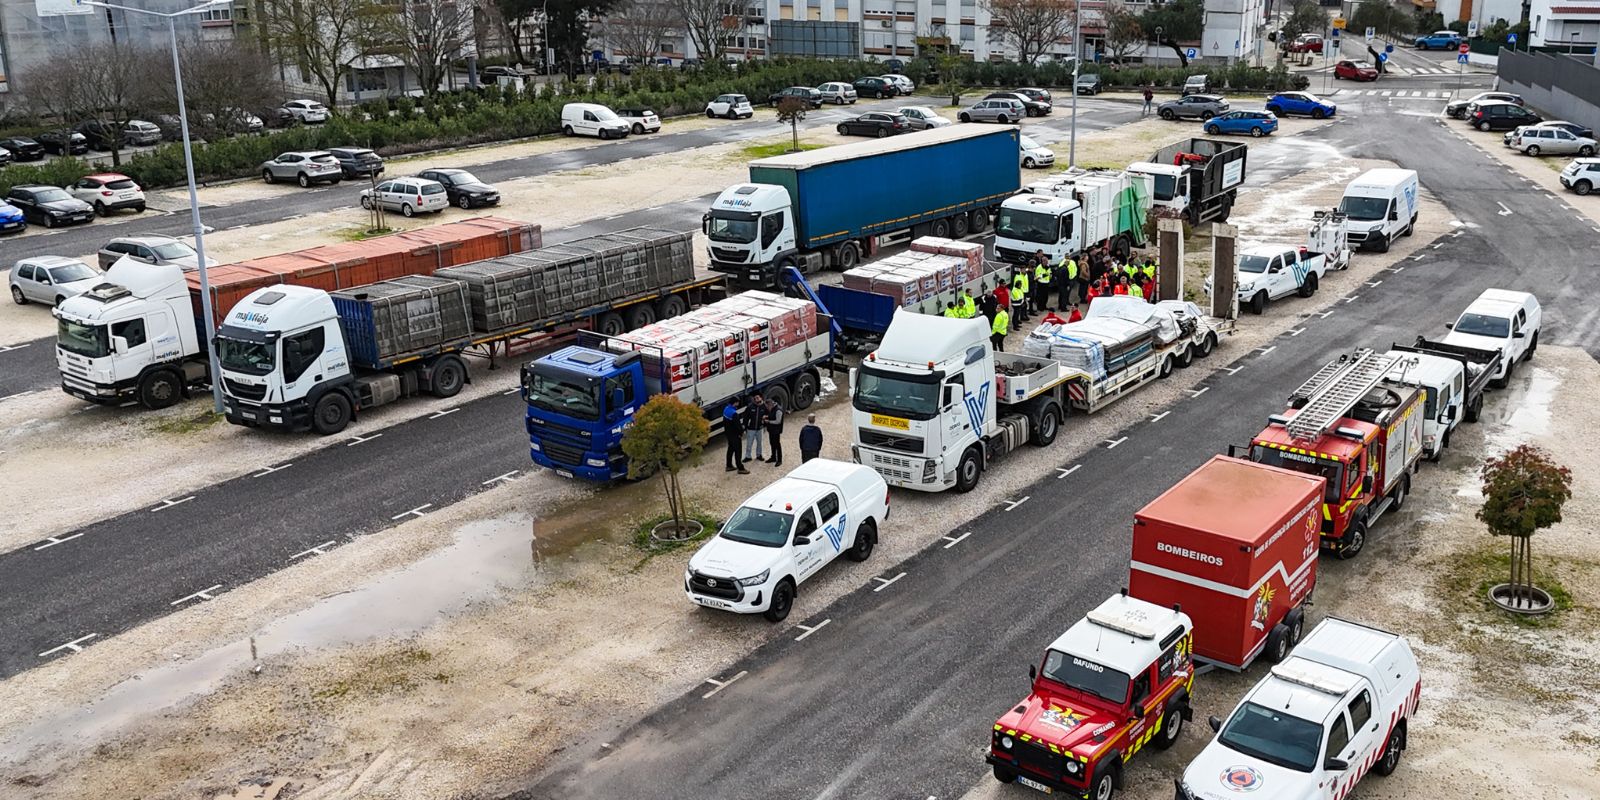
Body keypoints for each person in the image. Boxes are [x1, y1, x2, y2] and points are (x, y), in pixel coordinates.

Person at [723, 398, 748, 474]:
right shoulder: (734, 413)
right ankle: (740, 468)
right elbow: (738, 426)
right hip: (735, 435)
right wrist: (741, 433)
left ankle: (729, 465)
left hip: (728, 434)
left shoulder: (726, 409)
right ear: (735, 403)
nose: (738, 404)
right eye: (737, 403)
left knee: (730, 449)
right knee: (738, 451)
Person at [742, 393, 765, 463]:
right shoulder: (750, 407)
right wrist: (745, 427)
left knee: (759, 443)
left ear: (761, 398)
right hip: (751, 429)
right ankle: (748, 456)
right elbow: (745, 418)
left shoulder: (764, 407)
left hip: (760, 428)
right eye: (755, 398)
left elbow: (768, 415)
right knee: (749, 443)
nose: (756, 399)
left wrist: (765, 424)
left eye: (757, 398)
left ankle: (759, 455)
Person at [764, 395, 785, 466]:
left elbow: (778, 421)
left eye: (767, 407)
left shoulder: (778, 410)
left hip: (776, 431)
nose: (767, 408)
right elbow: (772, 415)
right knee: (772, 443)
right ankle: (773, 457)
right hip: (771, 430)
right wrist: (767, 416)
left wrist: (768, 421)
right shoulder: (772, 408)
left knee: (777, 444)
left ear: (770, 405)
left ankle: (779, 459)